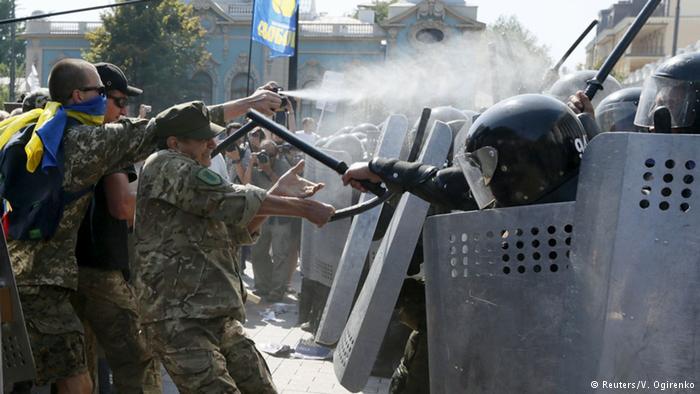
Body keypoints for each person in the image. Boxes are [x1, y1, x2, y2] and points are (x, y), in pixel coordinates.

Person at [4, 57, 283, 393]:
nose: (117, 105)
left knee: (30, 373)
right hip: (43, 281)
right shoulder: (83, 141)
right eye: (105, 94)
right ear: (79, 96)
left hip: (17, 273)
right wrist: (246, 105)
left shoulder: (30, 130)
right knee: (79, 376)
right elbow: (161, 128)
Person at [132, 101, 335, 393]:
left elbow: (238, 230)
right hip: (178, 318)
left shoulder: (190, 178)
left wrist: (278, 192)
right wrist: (303, 208)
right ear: (174, 142)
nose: (213, 144)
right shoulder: (165, 164)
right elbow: (229, 196)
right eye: (203, 139)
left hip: (218, 314)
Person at [73, 62, 161, 394]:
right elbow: (122, 205)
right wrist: (159, 196)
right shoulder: (109, 141)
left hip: (69, 269)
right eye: (119, 101)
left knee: (81, 366)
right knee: (137, 362)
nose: (124, 111)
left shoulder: (70, 134)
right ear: (97, 96)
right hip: (103, 269)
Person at [248, 140, 297, 302]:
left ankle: (277, 290)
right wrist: (250, 164)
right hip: (263, 216)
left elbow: (288, 190)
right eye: (262, 153)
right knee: (257, 252)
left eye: (268, 155)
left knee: (279, 254)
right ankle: (262, 285)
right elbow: (245, 183)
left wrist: (269, 171)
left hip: (280, 217)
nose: (264, 157)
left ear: (275, 155)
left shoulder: (283, 166)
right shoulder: (256, 166)